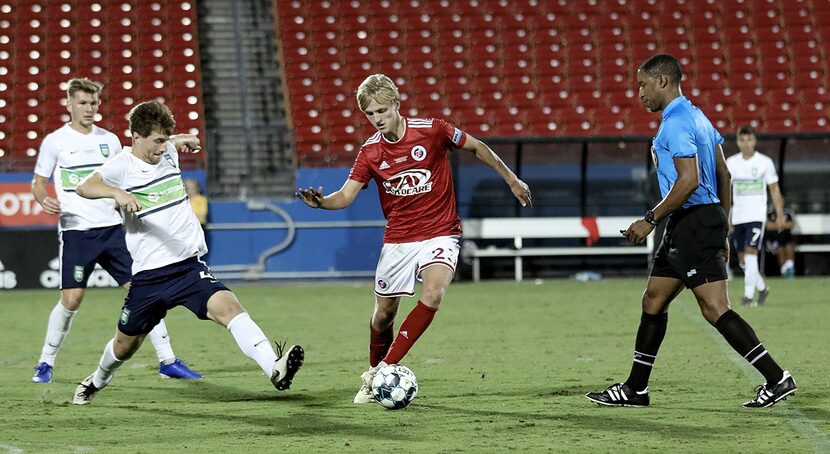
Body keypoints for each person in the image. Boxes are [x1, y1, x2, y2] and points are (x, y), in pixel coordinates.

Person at [295, 74, 532, 404]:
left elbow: (477, 146)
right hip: (399, 240)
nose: (377, 119)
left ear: (396, 104)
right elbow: (346, 196)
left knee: (433, 293)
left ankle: (381, 372)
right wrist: (321, 203)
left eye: (381, 110)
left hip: (441, 231)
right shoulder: (371, 152)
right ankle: (376, 368)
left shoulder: (433, 130)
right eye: (370, 114)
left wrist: (511, 179)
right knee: (383, 315)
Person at [585, 54, 796, 408]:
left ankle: (777, 378)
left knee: (715, 308)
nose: (640, 93)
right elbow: (724, 176)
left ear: (662, 81)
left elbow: (689, 180)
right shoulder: (698, 117)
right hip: (698, 220)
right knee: (653, 299)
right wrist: (724, 228)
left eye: (643, 84)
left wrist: (649, 219)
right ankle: (636, 389)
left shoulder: (675, 124)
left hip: (692, 220)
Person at [71, 101, 304, 405]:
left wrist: (180, 139)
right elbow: (84, 187)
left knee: (231, 308)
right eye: (157, 140)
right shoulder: (121, 166)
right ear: (136, 136)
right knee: (125, 346)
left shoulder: (167, 150)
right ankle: (96, 380)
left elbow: (171, 142)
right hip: (149, 277)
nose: (163, 147)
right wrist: (118, 193)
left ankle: (274, 368)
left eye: (165, 140)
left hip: (188, 268)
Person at [31, 78, 202, 383]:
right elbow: (39, 183)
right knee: (71, 300)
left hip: (113, 231)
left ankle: (168, 360)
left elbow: (143, 150)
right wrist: (43, 198)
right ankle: (45, 362)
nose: (89, 108)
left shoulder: (109, 140)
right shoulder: (55, 142)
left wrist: (177, 139)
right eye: (83, 103)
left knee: (143, 291)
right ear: (69, 104)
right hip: (78, 232)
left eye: (94, 103)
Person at [727, 125, 786, 306]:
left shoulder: (764, 162)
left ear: (755, 141)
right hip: (738, 216)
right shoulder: (731, 163)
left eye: (749, 140)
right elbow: (726, 192)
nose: (746, 144)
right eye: (742, 140)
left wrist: (780, 214)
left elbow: (774, 189)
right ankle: (762, 288)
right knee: (744, 260)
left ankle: (747, 297)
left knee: (752, 253)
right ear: (737, 142)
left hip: (756, 215)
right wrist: (727, 217)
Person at [766, 209, 797, 279]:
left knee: (789, 247)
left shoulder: (788, 213)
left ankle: (790, 269)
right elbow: (768, 226)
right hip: (773, 241)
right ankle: (784, 271)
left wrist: (778, 225)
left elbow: (792, 224)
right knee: (780, 249)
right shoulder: (770, 214)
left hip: (786, 239)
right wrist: (783, 225)